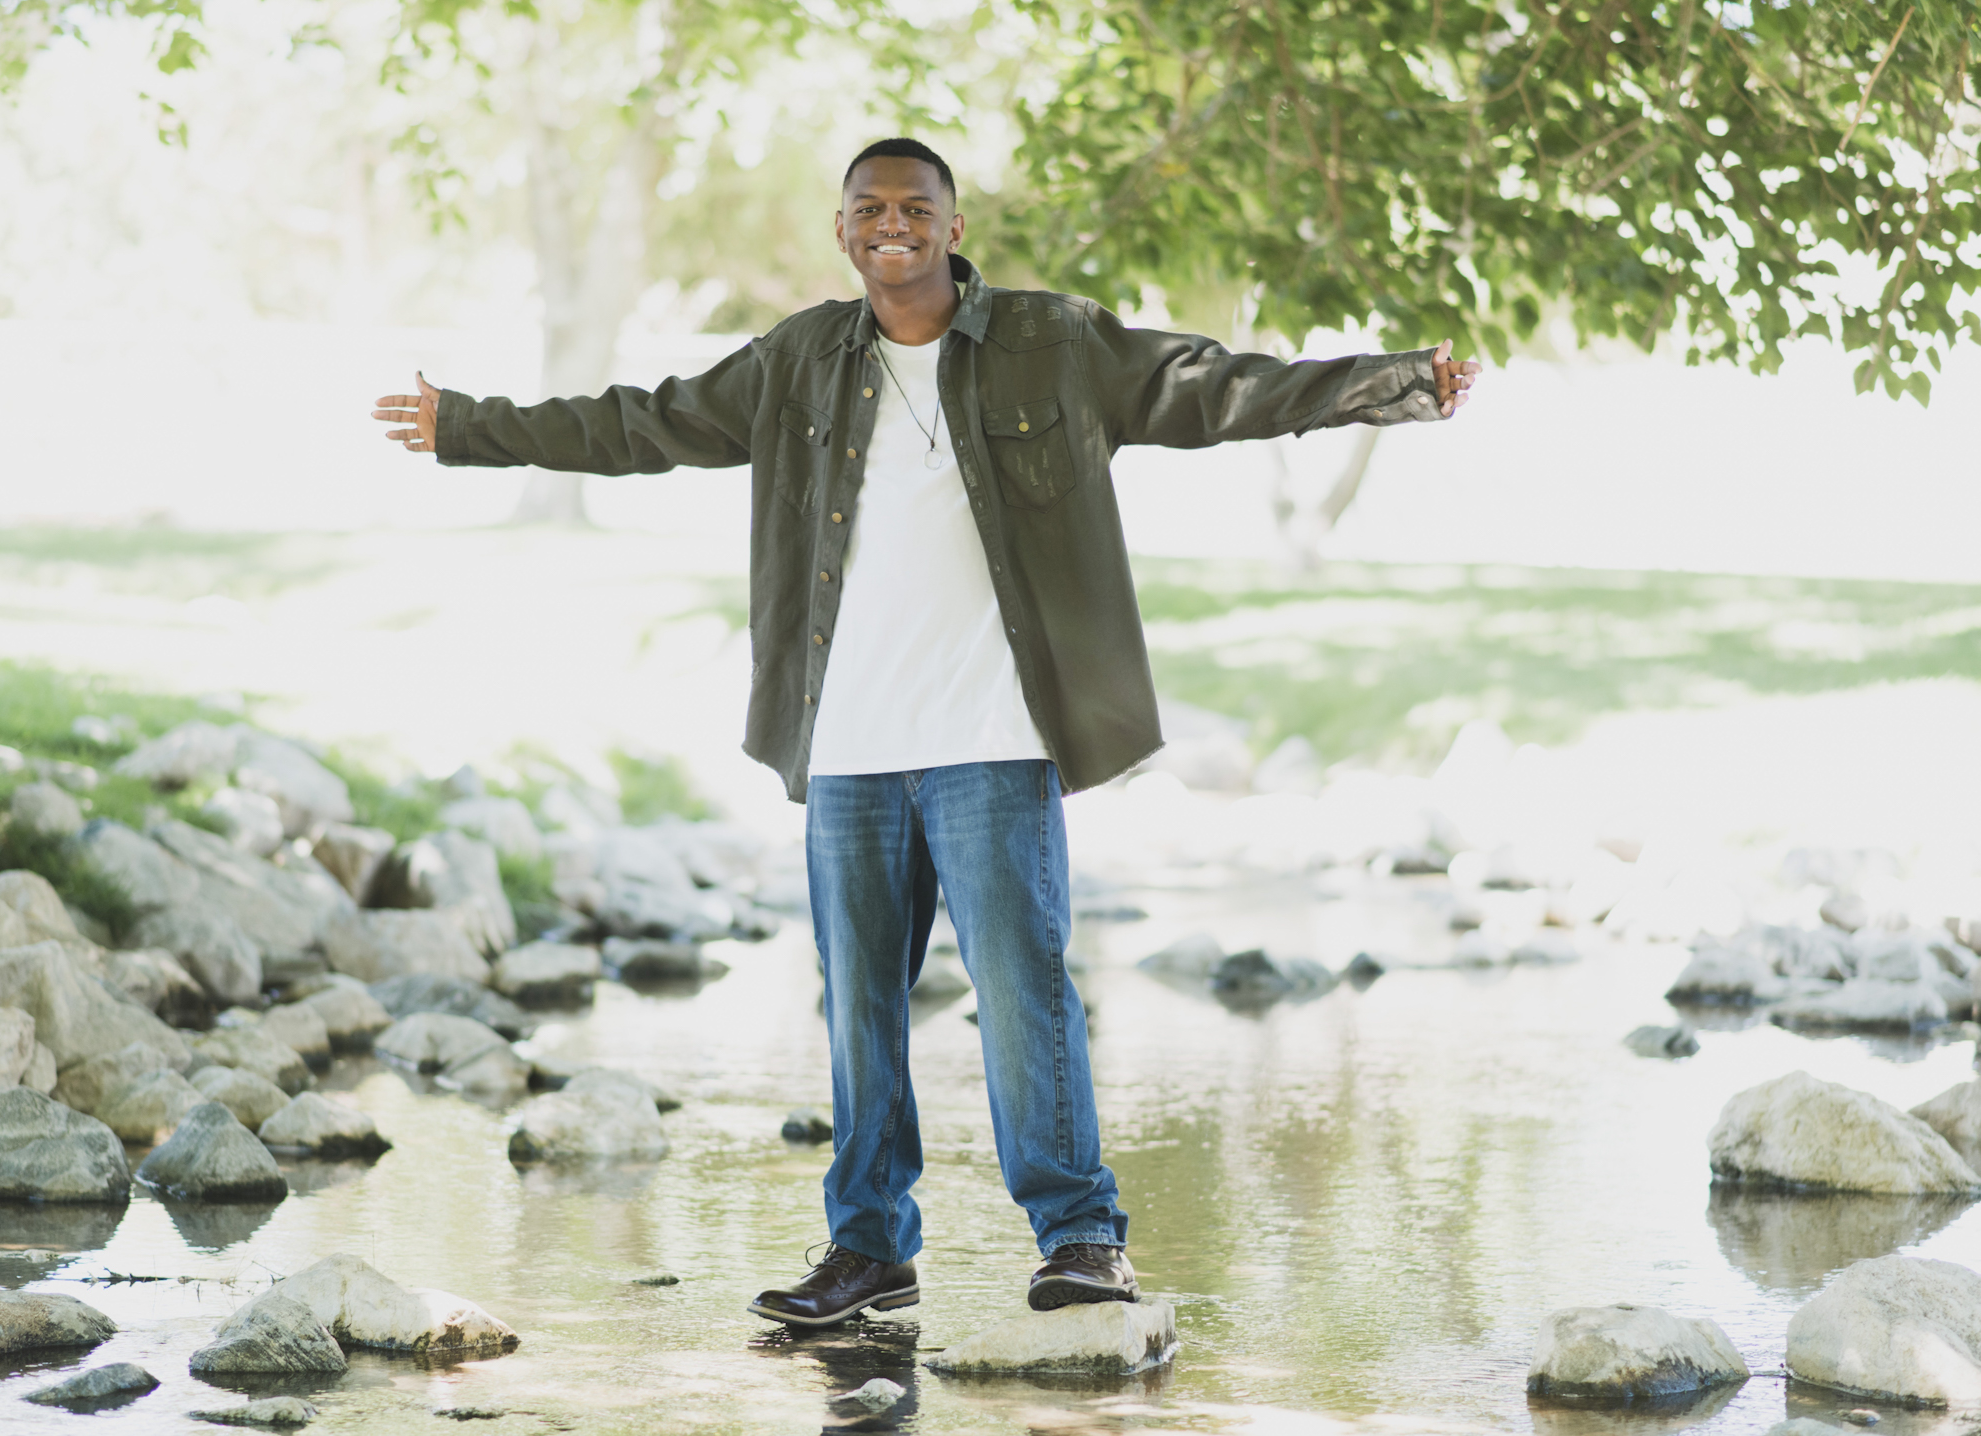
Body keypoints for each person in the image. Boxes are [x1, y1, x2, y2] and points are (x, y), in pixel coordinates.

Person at [373, 136, 1479, 1328]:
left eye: (913, 205)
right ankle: (868, 1248)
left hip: (992, 736)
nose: (888, 223)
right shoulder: (798, 359)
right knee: (856, 1003)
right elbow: (642, 423)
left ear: (954, 227)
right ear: (842, 229)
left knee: (1021, 991)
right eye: (866, 207)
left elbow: (1214, 386)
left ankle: (1081, 1236)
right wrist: (466, 425)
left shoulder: (1051, 342)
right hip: (846, 740)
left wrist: (1395, 383)